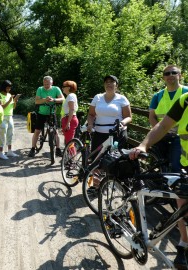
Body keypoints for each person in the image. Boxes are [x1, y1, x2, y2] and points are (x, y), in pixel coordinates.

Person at [129, 92, 188, 269]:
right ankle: (183, 244)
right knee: (182, 207)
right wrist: (143, 145)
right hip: (186, 165)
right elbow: (162, 126)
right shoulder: (185, 99)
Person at [148, 65, 188, 173]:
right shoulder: (158, 96)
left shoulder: (186, 92)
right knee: (158, 164)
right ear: (163, 78)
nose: (170, 75)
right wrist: (159, 132)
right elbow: (152, 116)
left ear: (180, 75)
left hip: (180, 137)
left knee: (177, 166)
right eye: (167, 73)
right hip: (162, 135)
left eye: (174, 73)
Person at [87, 75, 132, 153]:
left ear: (116, 85)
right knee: (96, 160)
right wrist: (90, 125)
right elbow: (91, 114)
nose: (109, 84)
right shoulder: (97, 97)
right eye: (106, 82)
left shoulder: (122, 99)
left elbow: (128, 117)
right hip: (99, 133)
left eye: (111, 82)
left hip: (116, 134)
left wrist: (122, 123)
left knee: (113, 160)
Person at [28, 76, 64, 158]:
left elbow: (62, 99)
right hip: (41, 113)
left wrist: (54, 100)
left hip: (51, 112)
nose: (46, 85)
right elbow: (37, 101)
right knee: (37, 131)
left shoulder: (56, 89)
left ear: (52, 83)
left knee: (56, 132)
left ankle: (58, 149)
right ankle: (33, 148)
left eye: (47, 84)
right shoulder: (40, 89)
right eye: (44, 84)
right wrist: (45, 99)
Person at [0, 80, 20, 159]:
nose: (9, 89)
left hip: (10, 116)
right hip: (2, 116)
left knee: (11, 133)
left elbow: (13, 107)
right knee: (2, 134)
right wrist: (10, 100)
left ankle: (9, 151)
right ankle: (1, 152)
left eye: (10, 88)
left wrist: (15, 101)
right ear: (4, 87)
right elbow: (1, 107)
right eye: (7, 88)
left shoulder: (9, 95)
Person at [61, 80, 79, 145]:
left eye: (64, 86)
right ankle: (69, 154)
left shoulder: (71, 96)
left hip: (70, 119)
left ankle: (72, 154)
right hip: (68, 118)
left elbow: (71, 109)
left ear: (68, 88)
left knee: (69, 142)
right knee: (68, 141)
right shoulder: (69, 96)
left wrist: (68, 122)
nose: (62, 88)